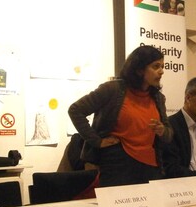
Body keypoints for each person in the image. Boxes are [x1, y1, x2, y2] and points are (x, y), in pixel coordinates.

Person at [68, 45, 173, 187]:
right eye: (156, 66)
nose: (161, 71)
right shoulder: (112, 89)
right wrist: (97, 141)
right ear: (139, 69)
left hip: (151, 165)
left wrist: (162, 131)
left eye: (162, 66)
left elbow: (168, 134)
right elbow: (76, 110)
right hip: (118, 166)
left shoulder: (158, 98)